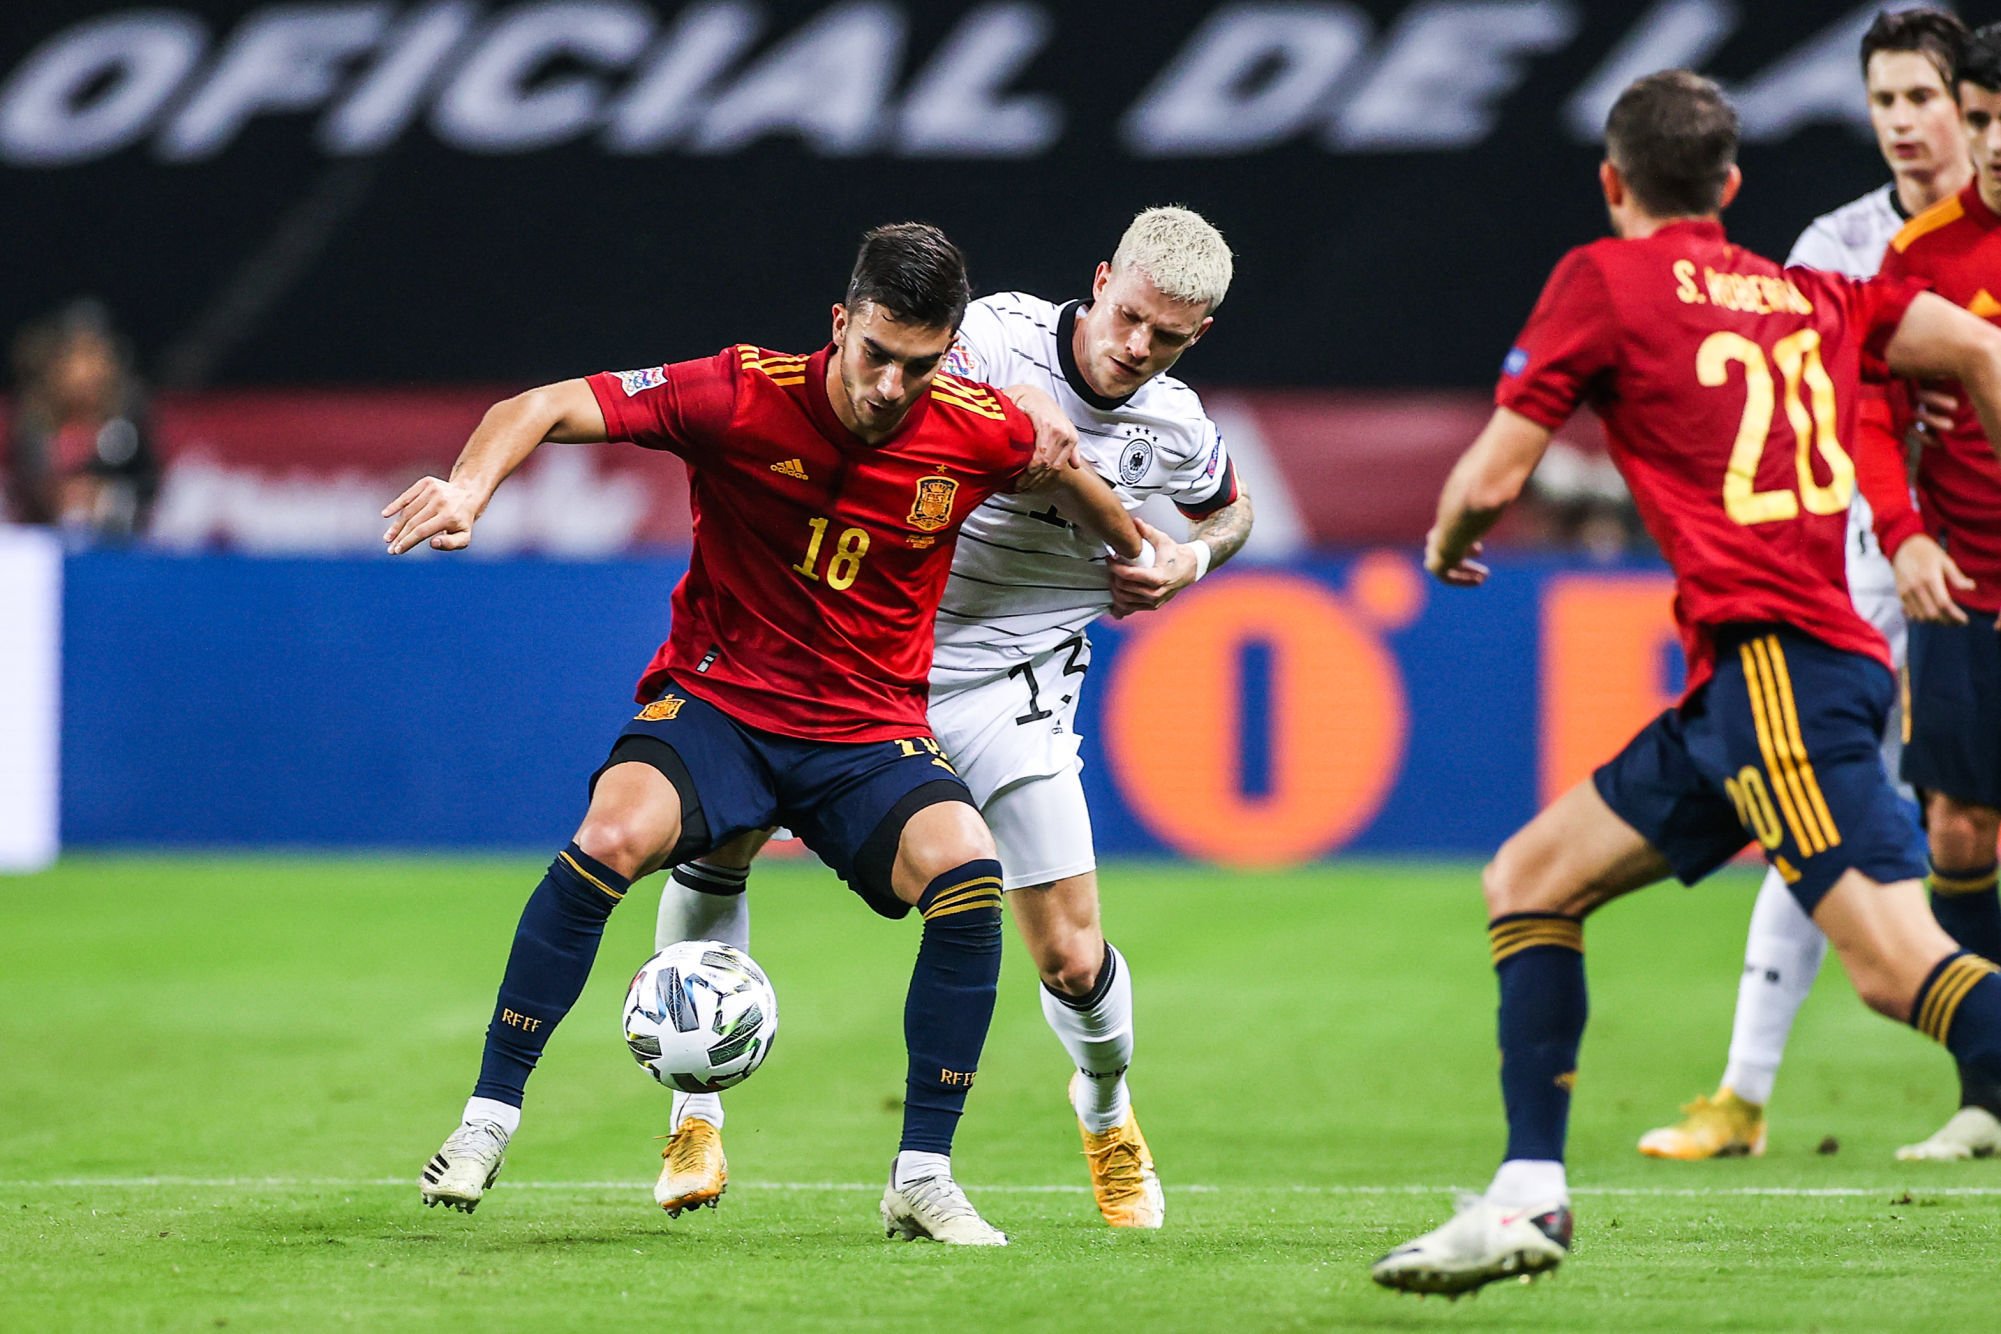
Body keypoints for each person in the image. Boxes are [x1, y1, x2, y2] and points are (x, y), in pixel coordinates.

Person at [388, 223, 1145, 1246]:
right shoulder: (742, 393)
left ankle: (922, 1174)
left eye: (920, 364)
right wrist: (469, 487)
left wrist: (1135, 547)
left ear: (949, 351)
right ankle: (487, 1119)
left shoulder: (974, 426)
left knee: (968, 874)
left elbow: (1057, 471)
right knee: (611, 836)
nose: (890, 386)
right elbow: (539, 405)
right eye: (875, 354)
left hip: (866, 732)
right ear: (839, 324)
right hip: (723, 708)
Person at [1372, 70, 2001, 1298]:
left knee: (1895, 968)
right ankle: (1526, 1195)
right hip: (1750, 685)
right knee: (1529, 878)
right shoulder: (1811, 292)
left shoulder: (1605, 279)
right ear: (1730, 185)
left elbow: (1493, 478)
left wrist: (1449, 539)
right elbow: (1977, 344)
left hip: (1784, 670)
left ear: (1613, 183)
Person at [646, 206, 1251, 1231]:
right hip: (855, 662)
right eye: (1130, 316)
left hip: (1009, 687)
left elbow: (1231, 509)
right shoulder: (994, 334)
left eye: (1169, 337)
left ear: (1199, 336)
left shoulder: (1178, 427)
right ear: (1102, 278)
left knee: (1071, 955)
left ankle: (1106, 1110)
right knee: (720, 845)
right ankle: (693, 1113)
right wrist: (1011, 402)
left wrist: (1193, 557)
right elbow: (887, 391)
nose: (1136, 346)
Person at [1638, 6, 1984, 1164]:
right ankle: (1743, 1094)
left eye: (1921, 97)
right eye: (1883, 100)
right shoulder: (1836, 245)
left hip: (1970, 555)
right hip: (1866, 569)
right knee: (1825, 819)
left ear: (1967, 105)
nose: (1902, 121)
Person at [1860, 18, 2001, 1159]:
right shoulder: (1923, 256)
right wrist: (1902, 533)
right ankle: (1990, 1091)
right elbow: (1870, 408)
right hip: (1966, 584)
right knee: (1954, 826)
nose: (1994, 145)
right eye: (1984, 119)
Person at [5, 300, 160, 540]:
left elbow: (149, 482)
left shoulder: (128, 415)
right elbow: (28, 485)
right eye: (79, 358)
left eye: (97, 357)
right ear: (55, 367)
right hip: (42, 538)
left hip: (118, 537)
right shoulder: (35, 418)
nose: (90, 371)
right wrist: (60, 494)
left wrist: (107, 495)